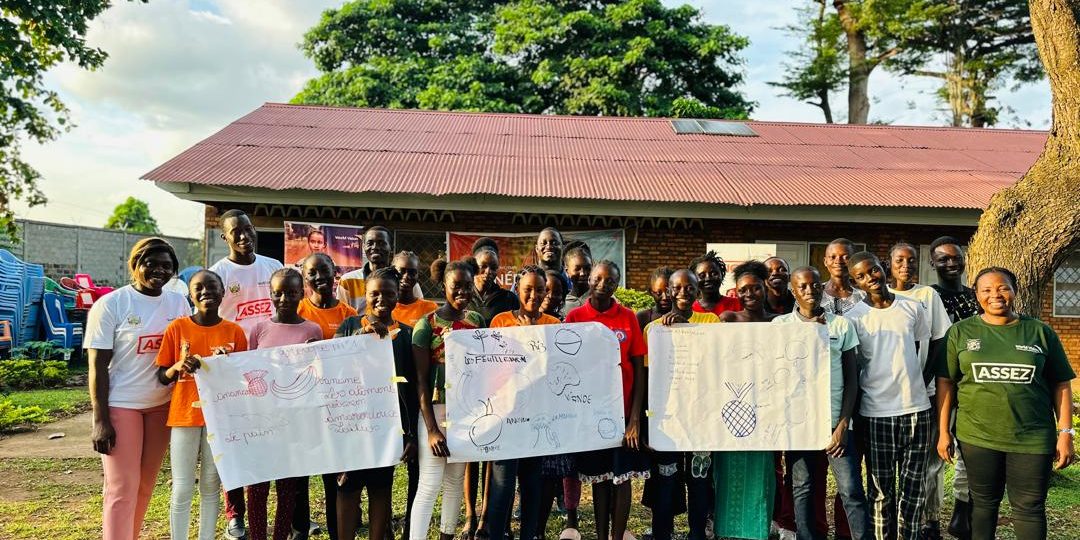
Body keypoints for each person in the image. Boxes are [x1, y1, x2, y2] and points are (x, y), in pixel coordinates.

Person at [935, 267, 1075, 540]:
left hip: (1032, 438)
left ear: (1015, 291)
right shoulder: (960, 333)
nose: (995, 295)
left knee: (1029, 507)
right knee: (983, 504)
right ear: (976, 295)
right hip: (977, 437)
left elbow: (1062, 384)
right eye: (986, 290)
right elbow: (946, 383)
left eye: (1002, 288)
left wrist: (1066, 433)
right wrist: (943, 432)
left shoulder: (1039, 332)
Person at [86, 238, 191, 540]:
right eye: (151, 264)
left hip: (161, 406)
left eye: (166, 266)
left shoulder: (178, 303)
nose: (159, 271)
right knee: (121, 488)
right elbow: (97, 367)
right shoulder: (111, 305)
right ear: (135, 265)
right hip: (122, 405)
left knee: (145, 485)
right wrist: (100, 420)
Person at [773, 266, 871, 540]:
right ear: (793, 291)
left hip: (835, 423)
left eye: (815, 285)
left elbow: (852, 381)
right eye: (802, 286)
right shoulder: (780, 327)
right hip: (799, 426)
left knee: (850, 489)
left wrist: (843, 425)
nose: (810, 291)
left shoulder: (840, 325)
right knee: (802, 486)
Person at [846, 251, 938, 540]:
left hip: (916, 410)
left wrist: (921, 382)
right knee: (880, 490)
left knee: (914, 488)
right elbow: (852, 366)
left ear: (882, 269)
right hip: (876, 414)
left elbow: (926, 346)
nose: (869, 278)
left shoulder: (913, 307)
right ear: (855, 282)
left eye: (872, 270)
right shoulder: (853, 318)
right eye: (860, 276)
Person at [155, 269, 248, 540]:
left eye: (212, 287)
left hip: (219, 418)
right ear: (190, 295)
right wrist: (178, 366)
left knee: (210, 483)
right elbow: (162, 376)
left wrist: (225, 365)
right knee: (182, 486)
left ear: (222, 293)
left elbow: (243, 380)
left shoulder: (234, 332)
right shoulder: (177, 328)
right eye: (199, 288)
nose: (206, 292)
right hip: (184, 416)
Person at [208, 209, 283, 539]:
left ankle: (293, 516)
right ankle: (235, 514)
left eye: (248, 229)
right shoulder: (218, 273)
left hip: (276, 370)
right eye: (235, 232)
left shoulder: (274, 267)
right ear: (224, 237)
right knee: (237, 443)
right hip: (235, 372)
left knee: (278, 441)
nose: (243, 236)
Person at [334, 267, 420, 540]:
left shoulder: (406, 335)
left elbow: (413, 387)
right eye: (374, 294)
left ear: (398, 297)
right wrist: (358, 342)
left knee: (381, 487)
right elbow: (333, 372)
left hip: (389, 428)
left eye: (389, 294)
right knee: (347, 487)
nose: (381, 299)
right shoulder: (349, 327)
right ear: (365, 297)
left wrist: (411, 435)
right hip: (353, 426)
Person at [565, 260, 648, 540]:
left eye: (611, 280)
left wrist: (634, 420)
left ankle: (617, 536)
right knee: (600, 479)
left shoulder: (628, 317)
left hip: (623, 414)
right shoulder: (575, 317)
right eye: (598, 278)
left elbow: (638, 371)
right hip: (590, 416)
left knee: (622, 478)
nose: (603, 284)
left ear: (617, 284)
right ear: (589, 279)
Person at [483, 266, 563, 540]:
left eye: (539, 289)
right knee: (503, 485)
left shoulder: (553, 325)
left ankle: (528, 535)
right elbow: (490, 367)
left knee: (532, 482)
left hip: (538, 416)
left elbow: (559, 368)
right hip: (506, 414)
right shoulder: (500, 322)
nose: (533, 295)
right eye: (527, 289)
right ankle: (496, 534)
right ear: (517, 289)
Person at [410, 259, 486, 540]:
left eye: (468, 286)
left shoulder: (476, 322)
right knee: (429, 483)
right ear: (444, 286)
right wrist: (431, 430)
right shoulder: (426, 325)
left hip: (466, 412)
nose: (463, 292)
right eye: (457, 286)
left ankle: (446, 536)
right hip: (437, 412)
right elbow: (420, 381)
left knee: (455, 482)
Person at [643, 269, 720, 540]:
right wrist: (648, 425)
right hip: (668, 421)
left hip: (701, 418)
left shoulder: (711, 322)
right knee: (665, 480)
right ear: (669, 292)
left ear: (698, 291)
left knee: (699, 480)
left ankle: (697, 533)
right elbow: (650, 380)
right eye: (678, 288)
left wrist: (685, 329)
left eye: (691, 288)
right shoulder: (654, 331)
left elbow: (717, 362)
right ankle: (663, 532)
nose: (684, 292)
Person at [886, 243, 953, 540]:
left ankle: (929, 520)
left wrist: (922, 377)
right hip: (884, 396)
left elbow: (940, 340)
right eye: (899, 260)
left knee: (926, 464)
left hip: (923, 393)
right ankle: (889, 521)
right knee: (889, 466)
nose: (906, 265)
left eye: (911, 260)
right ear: (889, 263)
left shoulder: (928, 295)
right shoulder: (874, 297)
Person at [293, 254, 358, 540]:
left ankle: (337, 531)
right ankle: (300, 528)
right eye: (312, 273)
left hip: (337, 406)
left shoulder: (349, 315)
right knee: (300, 474)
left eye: (325, 272)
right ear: (304, 278)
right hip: (303, 405)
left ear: (336, 275)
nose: (319, 277)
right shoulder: (296, 310)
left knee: (335, 475)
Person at [711, 261, 776, 540]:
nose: (750, 294)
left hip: (766, 407)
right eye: (743, 290)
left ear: (766, 288)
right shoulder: (727, 319)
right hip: (731, 404)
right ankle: (726, 528)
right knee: (728, 468)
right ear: (736, 292)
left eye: (756, 288)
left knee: (761, 471)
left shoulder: (778, 323)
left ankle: (758, 528)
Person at [927, 236, 979, 539]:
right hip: (938, 387)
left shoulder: (976, 297)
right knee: (934, 457)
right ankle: (930, 519)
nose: (950, 263)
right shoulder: (927, 297)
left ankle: (962, 514)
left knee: (968, 454)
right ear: (933, 263)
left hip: (972, 386)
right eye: (943, 258)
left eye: (955, 257)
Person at [337, 226, 423, 313]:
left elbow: (417, 311)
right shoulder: (347, 281)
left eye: (381, 243)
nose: (375, 247)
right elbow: (341, 314)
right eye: (370, 243)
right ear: (363, 247)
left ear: (391, 247)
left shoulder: (405, 281)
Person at [468, 247, 520, 325]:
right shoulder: (463, 297)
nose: (488, 271)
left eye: (493, 268)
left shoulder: (509, 299)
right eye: (483, 266)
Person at [392, 251, 438, 327]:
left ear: (418, 275)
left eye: (412, 273)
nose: (406, 276)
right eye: (401, 271)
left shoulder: (429, 308)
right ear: (392, 272)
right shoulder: (384, 307)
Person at [690, 251, 741, 316]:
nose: (708, 278)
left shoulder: (738, 305)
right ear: (694, 279)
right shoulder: (690, 309)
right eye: (702, 275)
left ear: (722, 275)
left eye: (714, 273)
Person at [821, 239, 865, 316]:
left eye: (846, 257)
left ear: (854, 261)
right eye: (833, 257)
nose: (838, 261)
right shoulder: (812, 293)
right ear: (825, 261)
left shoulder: (864, 296)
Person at [561, 244, 592, 317]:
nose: (583, 273)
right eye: (577, 269)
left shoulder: (603, 298)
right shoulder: (562, 302)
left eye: (587, 268)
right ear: (567, 271)